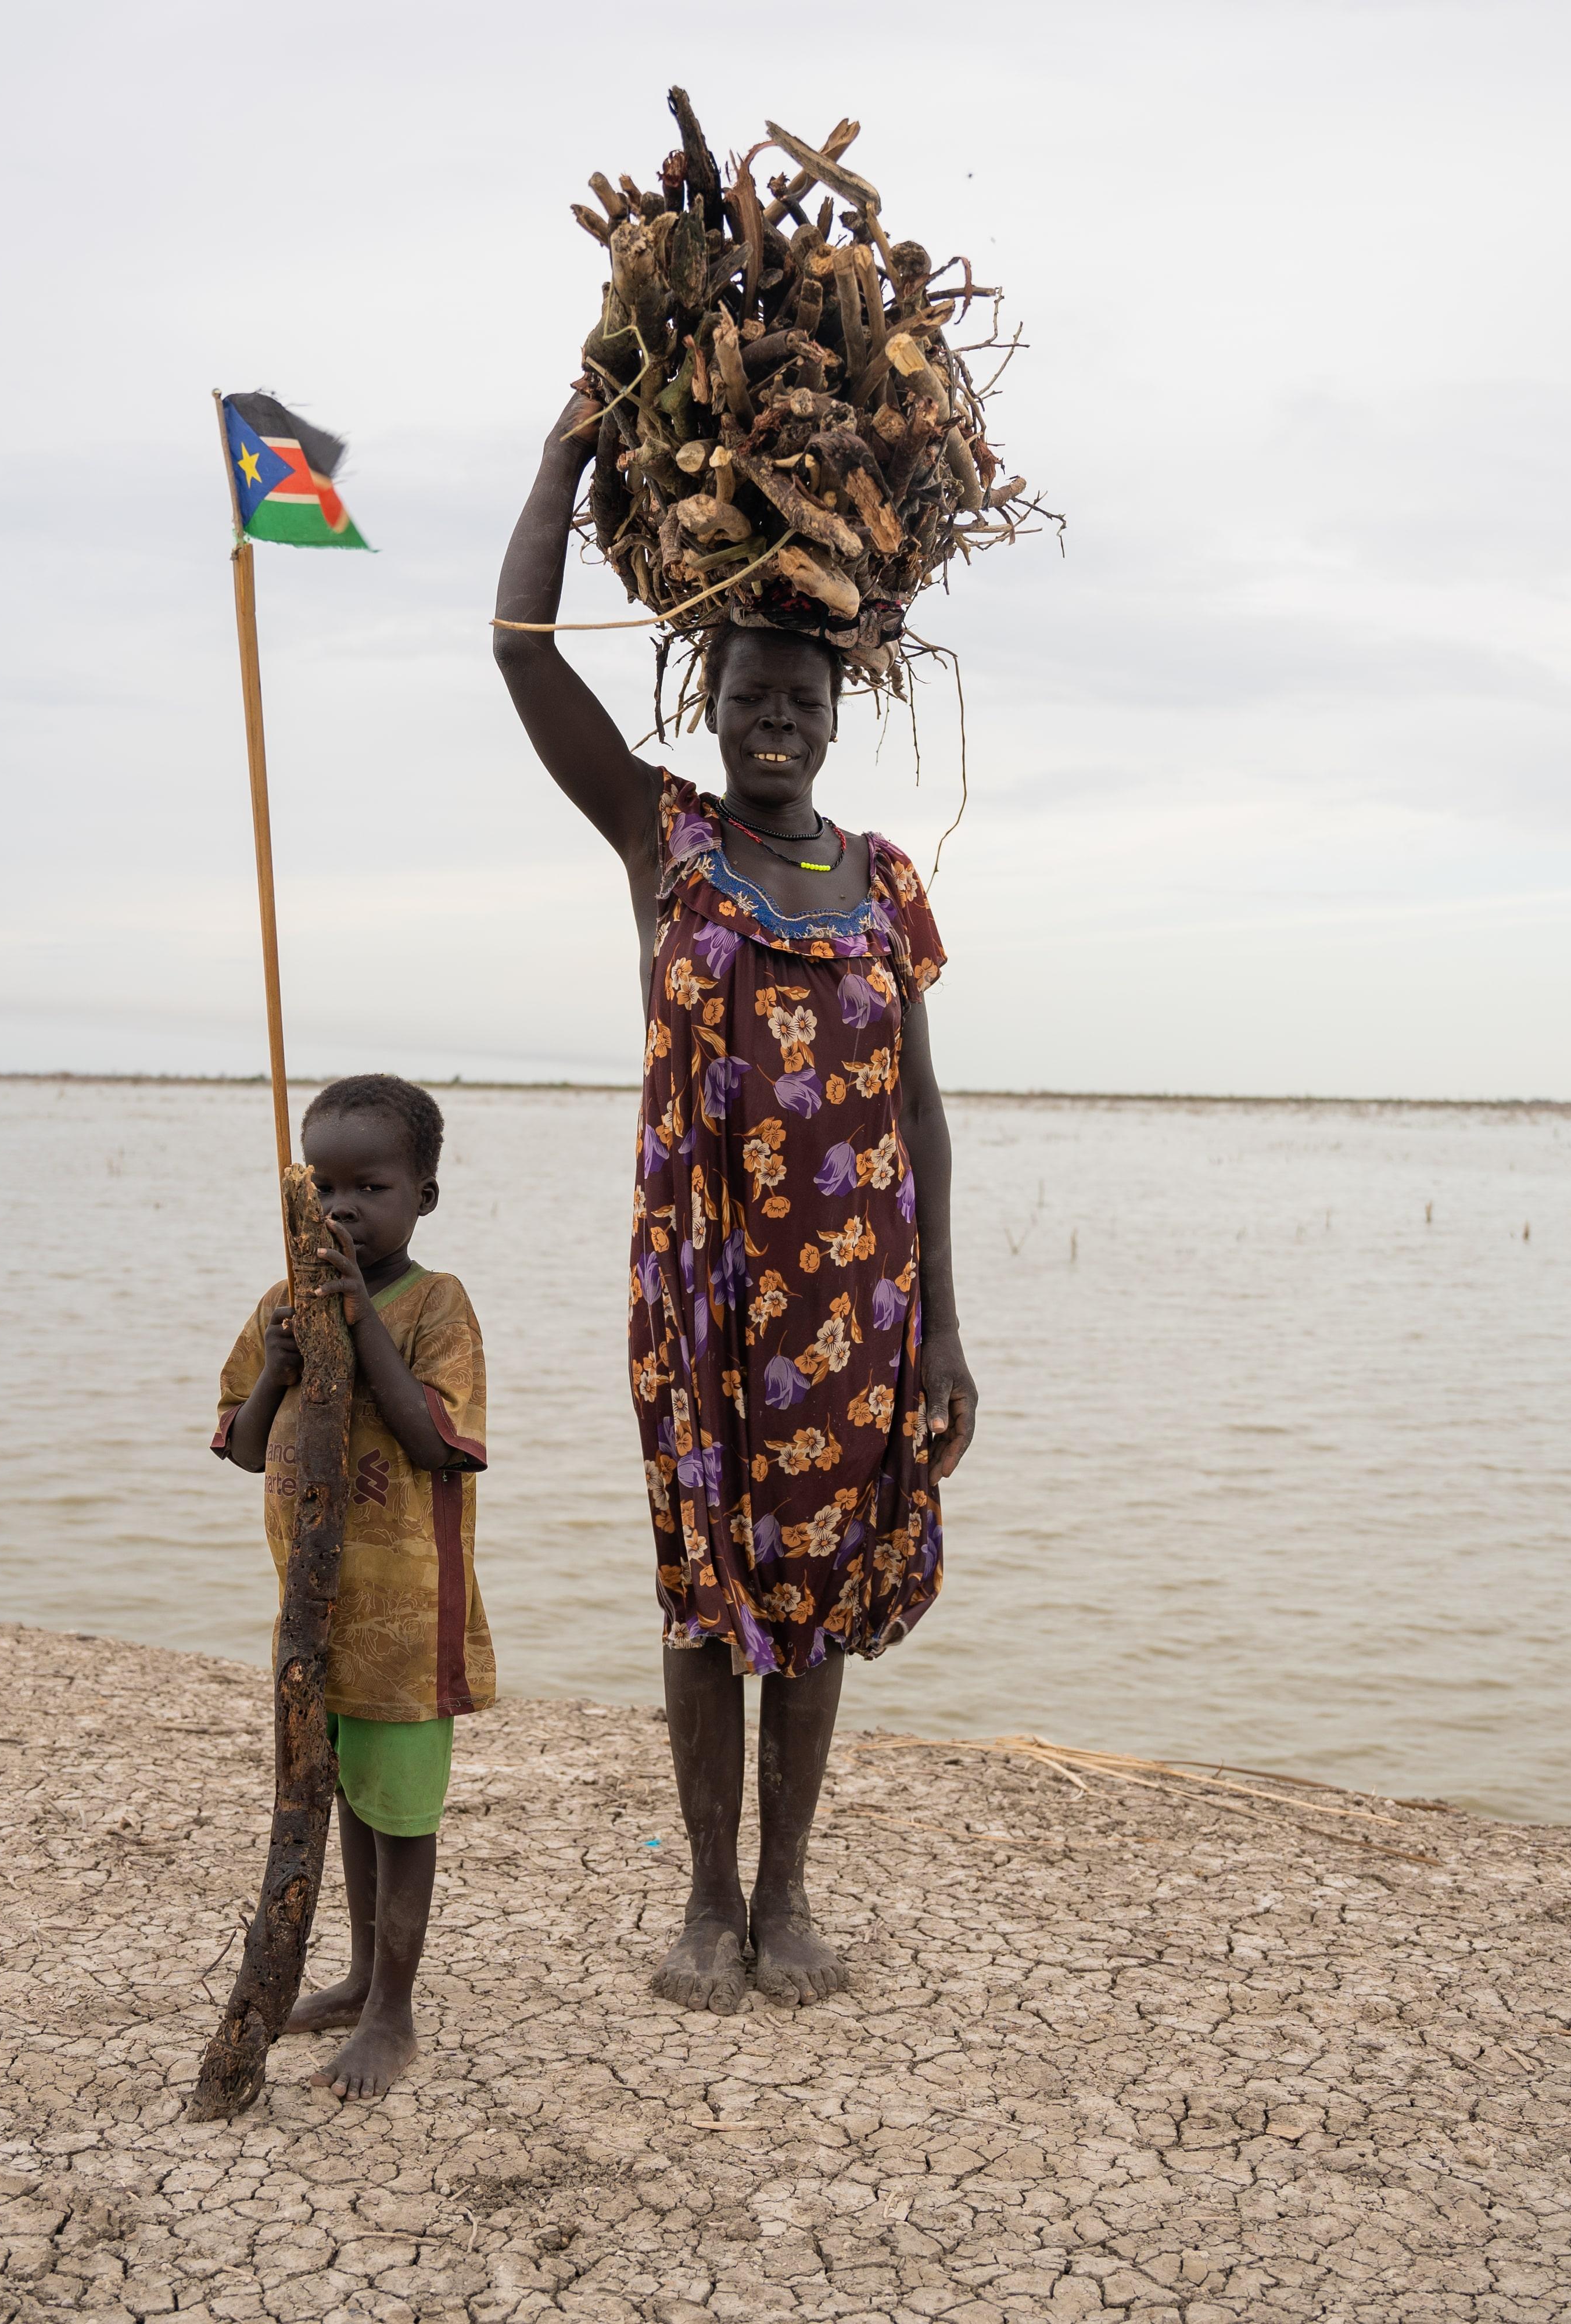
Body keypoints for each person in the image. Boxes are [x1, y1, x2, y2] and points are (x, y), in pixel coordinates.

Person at [492, 390, 978, 2013]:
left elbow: (917, 1107)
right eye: (751, 696)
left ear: (841, 716)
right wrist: (564, 460)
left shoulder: (885, 880)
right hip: (701, 1280)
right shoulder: (664, 838)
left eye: (802, 702)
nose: (774, 722)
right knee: (708, 1591)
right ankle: (704, 1905)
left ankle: (789, 1901)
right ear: (713, 702)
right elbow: (518, 653)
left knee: (821, 1593)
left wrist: (950, 1337)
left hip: (859, 1300)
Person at [212, 1073, 491, 2097]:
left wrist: (354, 1322)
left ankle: (394, 2013)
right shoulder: (280, 1308)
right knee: (342, 1805)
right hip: (311, 1627)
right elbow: (243, 1449)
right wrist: (287, 1361)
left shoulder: (435, 1305)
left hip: (407, 1631)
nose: (340, 1211)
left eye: (368, 1188)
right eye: (321, 1191)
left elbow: (437, 1442)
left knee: (399, 1818)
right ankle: (360, 1975)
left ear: (422, 1195)